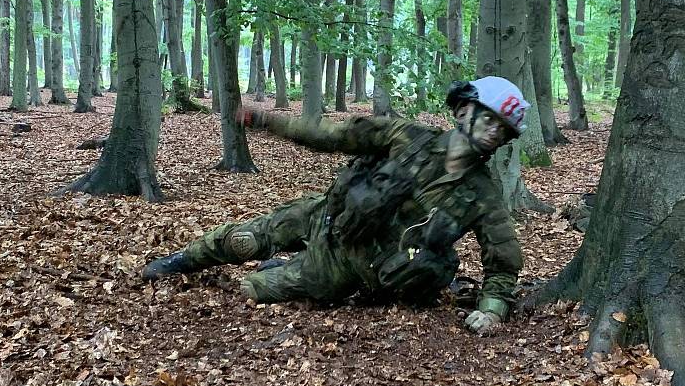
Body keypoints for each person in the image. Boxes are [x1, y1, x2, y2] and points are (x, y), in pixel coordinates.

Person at [142, 77, 529, 334]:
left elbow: (503, 259)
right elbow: (331, 135)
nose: (495, 133)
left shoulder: (483, 195)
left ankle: (277, 271)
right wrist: (266, 120)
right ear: (464, 112)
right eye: (490, 121)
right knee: (242, 239)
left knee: (253, 289)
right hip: (325, 214)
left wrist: (493, 310)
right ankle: (178, 262)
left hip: (345, 267)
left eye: (503, 130)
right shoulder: (406, 137)